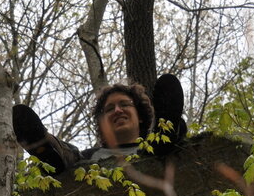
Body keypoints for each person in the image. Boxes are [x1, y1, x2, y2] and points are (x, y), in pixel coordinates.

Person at [12, 74, 187, 174]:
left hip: (155, 154)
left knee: (166, 142)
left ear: (140, 116)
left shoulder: (150, 147)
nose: (118, 110)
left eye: (124, 104)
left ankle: (169, 129)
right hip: (80, 167)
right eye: (110, 109)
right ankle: (45, 147)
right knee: (70, 156)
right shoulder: (89, 156)